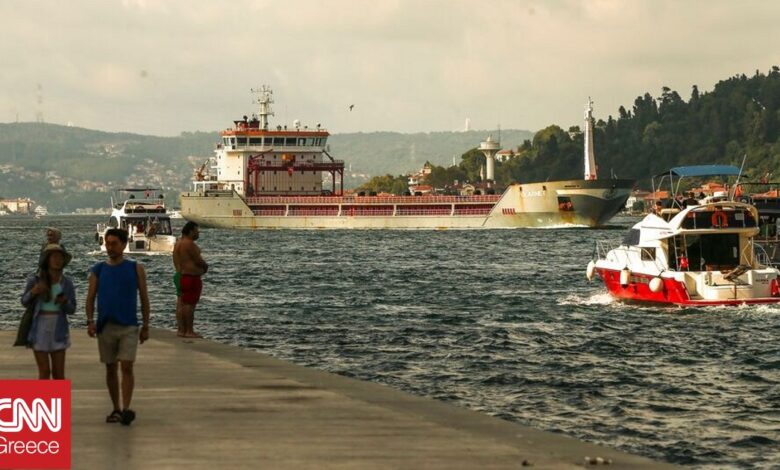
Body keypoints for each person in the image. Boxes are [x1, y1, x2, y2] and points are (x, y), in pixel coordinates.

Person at [86, 228, 151, 426]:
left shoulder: (135, 268)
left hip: (129, 325)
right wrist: (90, 321)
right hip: (105, 326)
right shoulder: (98, 270)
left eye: (114, 243)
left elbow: (144, 297)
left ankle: (126, 408)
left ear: (124, 244)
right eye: (108, 243)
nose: (110, 247)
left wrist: (146, 324)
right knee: (110, 367)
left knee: (127, 365)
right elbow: (90, 298)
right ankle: (116, 407)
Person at [22, 244, 76, 379]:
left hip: (58, 328)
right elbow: (24, 301)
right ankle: (45, 399)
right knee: (44, 372)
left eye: (60, 257)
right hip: (39, 328)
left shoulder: (67, 282)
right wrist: (34, 292)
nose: (58, 260)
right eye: (54, 257)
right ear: (47, 260)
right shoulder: (35, 280)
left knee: (59, 374)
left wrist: (64, 302)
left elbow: (72, 309)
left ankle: (58, 399)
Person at [172, 221, 207, 338]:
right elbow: (198, 260)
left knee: (181, 303)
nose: (198, 233)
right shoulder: (189, 244)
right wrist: (205, 266)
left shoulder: (178, 243)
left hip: (179, 275)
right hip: (190, 277)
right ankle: (189, 331)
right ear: (191, 231)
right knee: (189, 305)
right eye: (197, 231)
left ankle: (181, 330)